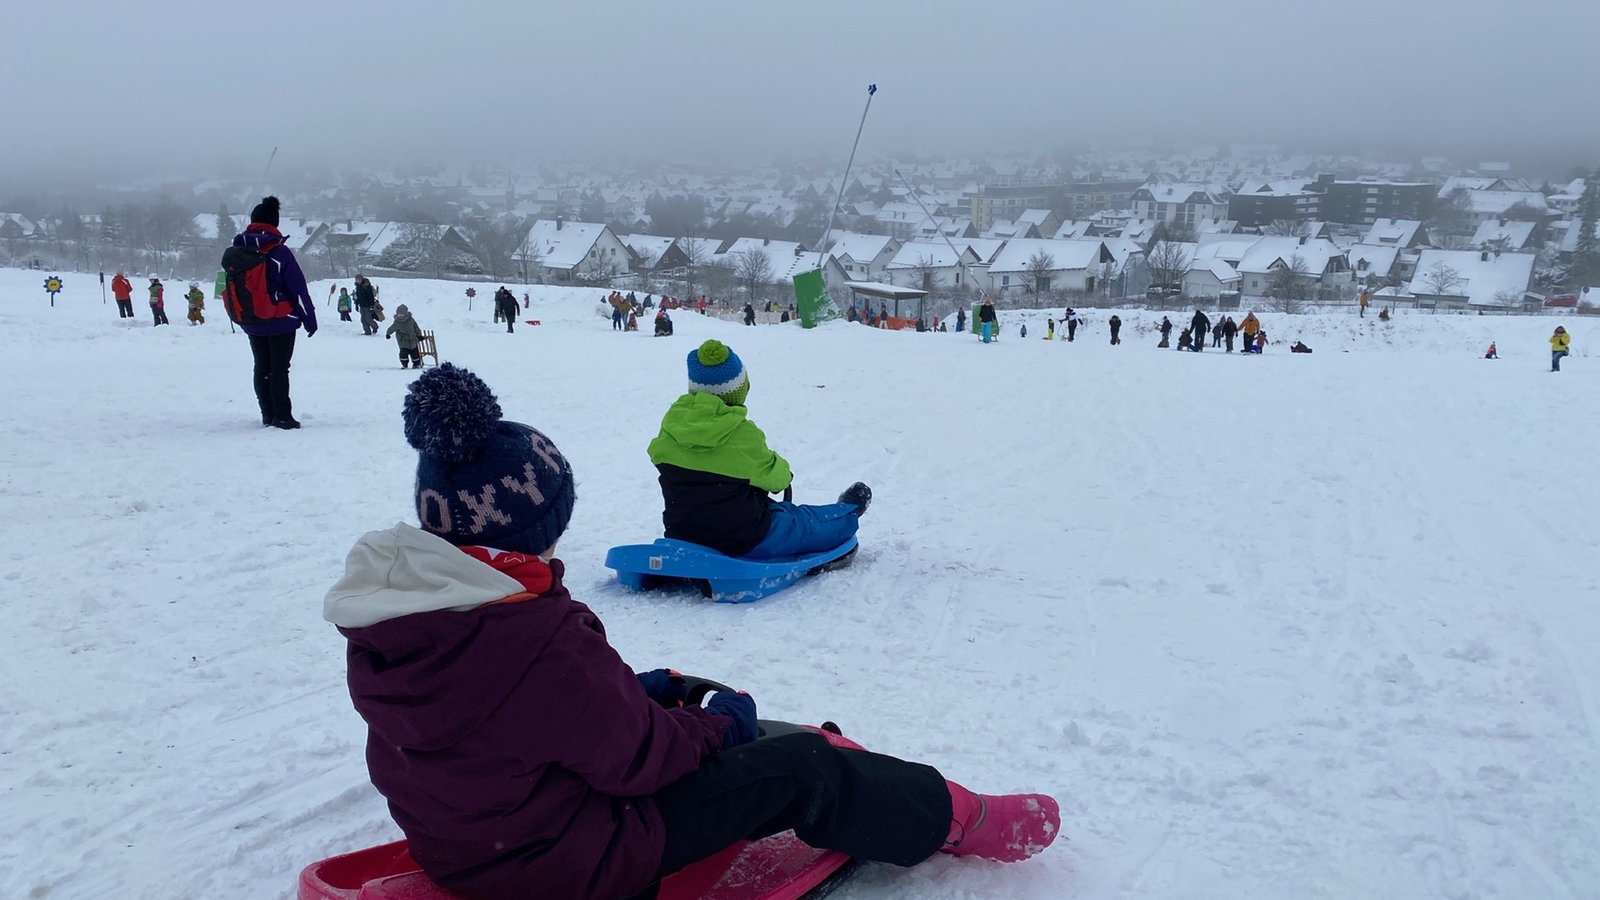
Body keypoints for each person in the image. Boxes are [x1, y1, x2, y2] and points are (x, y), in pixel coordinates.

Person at [324, 364, 1059, 900]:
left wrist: (640, 693)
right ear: (535, 528)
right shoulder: (534, 637)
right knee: (801, 765)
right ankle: (963, 819)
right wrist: (721, 727)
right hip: (575, 864)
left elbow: (511, 721)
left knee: (697, 717)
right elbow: (638, 763)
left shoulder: (401, 619)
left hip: (471, 848)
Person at [648, 340, 870, 560]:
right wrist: (783, 469)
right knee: (800, 523)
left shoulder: (671, 427)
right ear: (738, 390)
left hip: (684, 534)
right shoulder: (742, 434)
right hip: (744, 538)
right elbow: (776, 480)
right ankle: (846, 513)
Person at [229, 196, 318, 429]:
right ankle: (283, 417)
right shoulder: (279, 252)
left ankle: (267, 414)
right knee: (279, 368)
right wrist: (309, 320)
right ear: (274, 223)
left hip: (250, 320)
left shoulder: (239, 249)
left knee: (261, 366)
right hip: (280, 321)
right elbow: (297, 290)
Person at [385, 304, 424, 369]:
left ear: (405, 313)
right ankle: (404, 364)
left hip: (412, 340)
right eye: (398, 314)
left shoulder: (411, 320)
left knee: (415, 353)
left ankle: (416, 364)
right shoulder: (397, 322)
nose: (400, 315)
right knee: (403, 354)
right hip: (403, 341)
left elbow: (416, 328)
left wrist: (419, 335)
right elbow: (392, 328)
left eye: (401, 313)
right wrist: (388, 333)